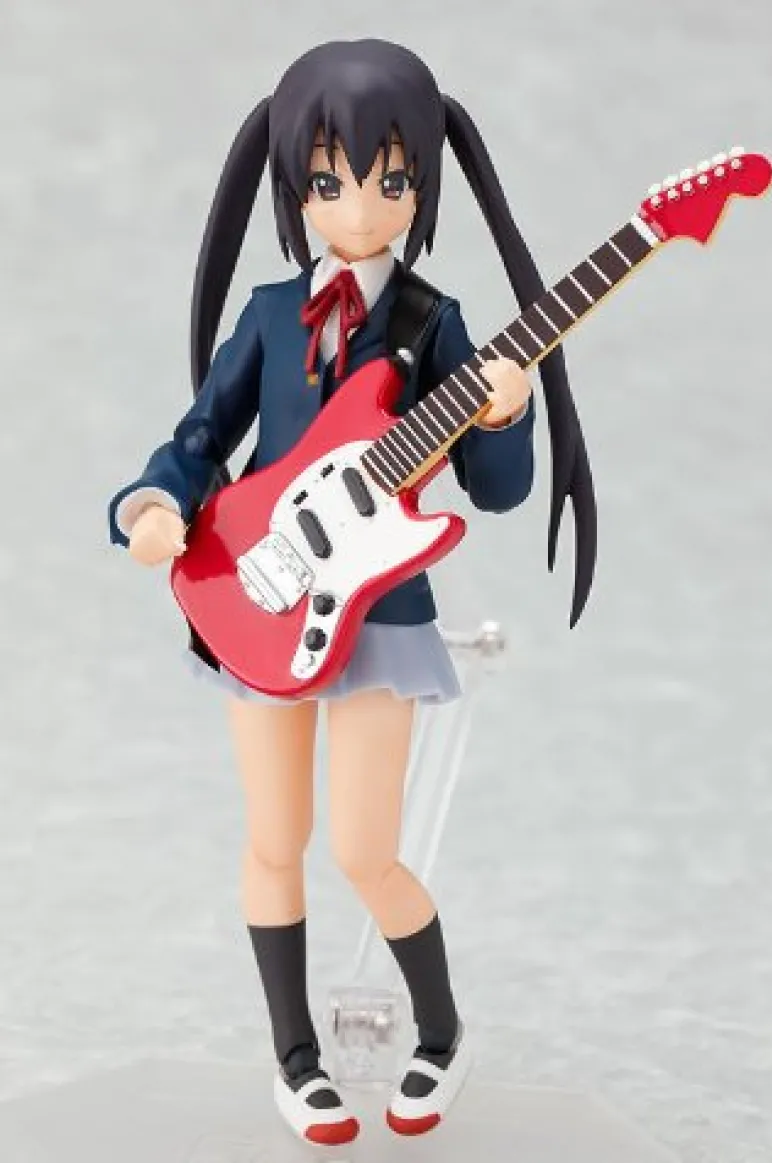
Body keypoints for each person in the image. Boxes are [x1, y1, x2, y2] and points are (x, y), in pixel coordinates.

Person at [108, 38, 597, 1146]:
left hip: (375, 613)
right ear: (294, 188)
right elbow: (201, 436)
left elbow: (495, 489)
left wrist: (508, 412)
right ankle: (296, 1056)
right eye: (330, 182)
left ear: (422, 183)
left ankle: (442, 1032)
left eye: (392, 180)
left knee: (364, 847)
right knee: (273, 835)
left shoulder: (434, 322)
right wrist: (154, 502)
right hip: (256, 591)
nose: (363, 208)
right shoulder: (268, 314)